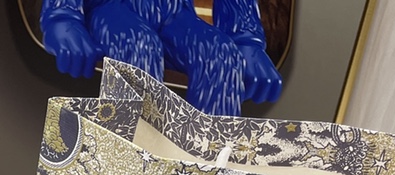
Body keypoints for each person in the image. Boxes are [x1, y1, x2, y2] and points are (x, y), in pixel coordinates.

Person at [40, 0, 282, 115]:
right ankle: (129, 169)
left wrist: (246, 41)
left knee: (222, 57)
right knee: (137, 46)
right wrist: (62, 15)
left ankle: (208, 173)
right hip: (111, 8)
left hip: (174, 13)